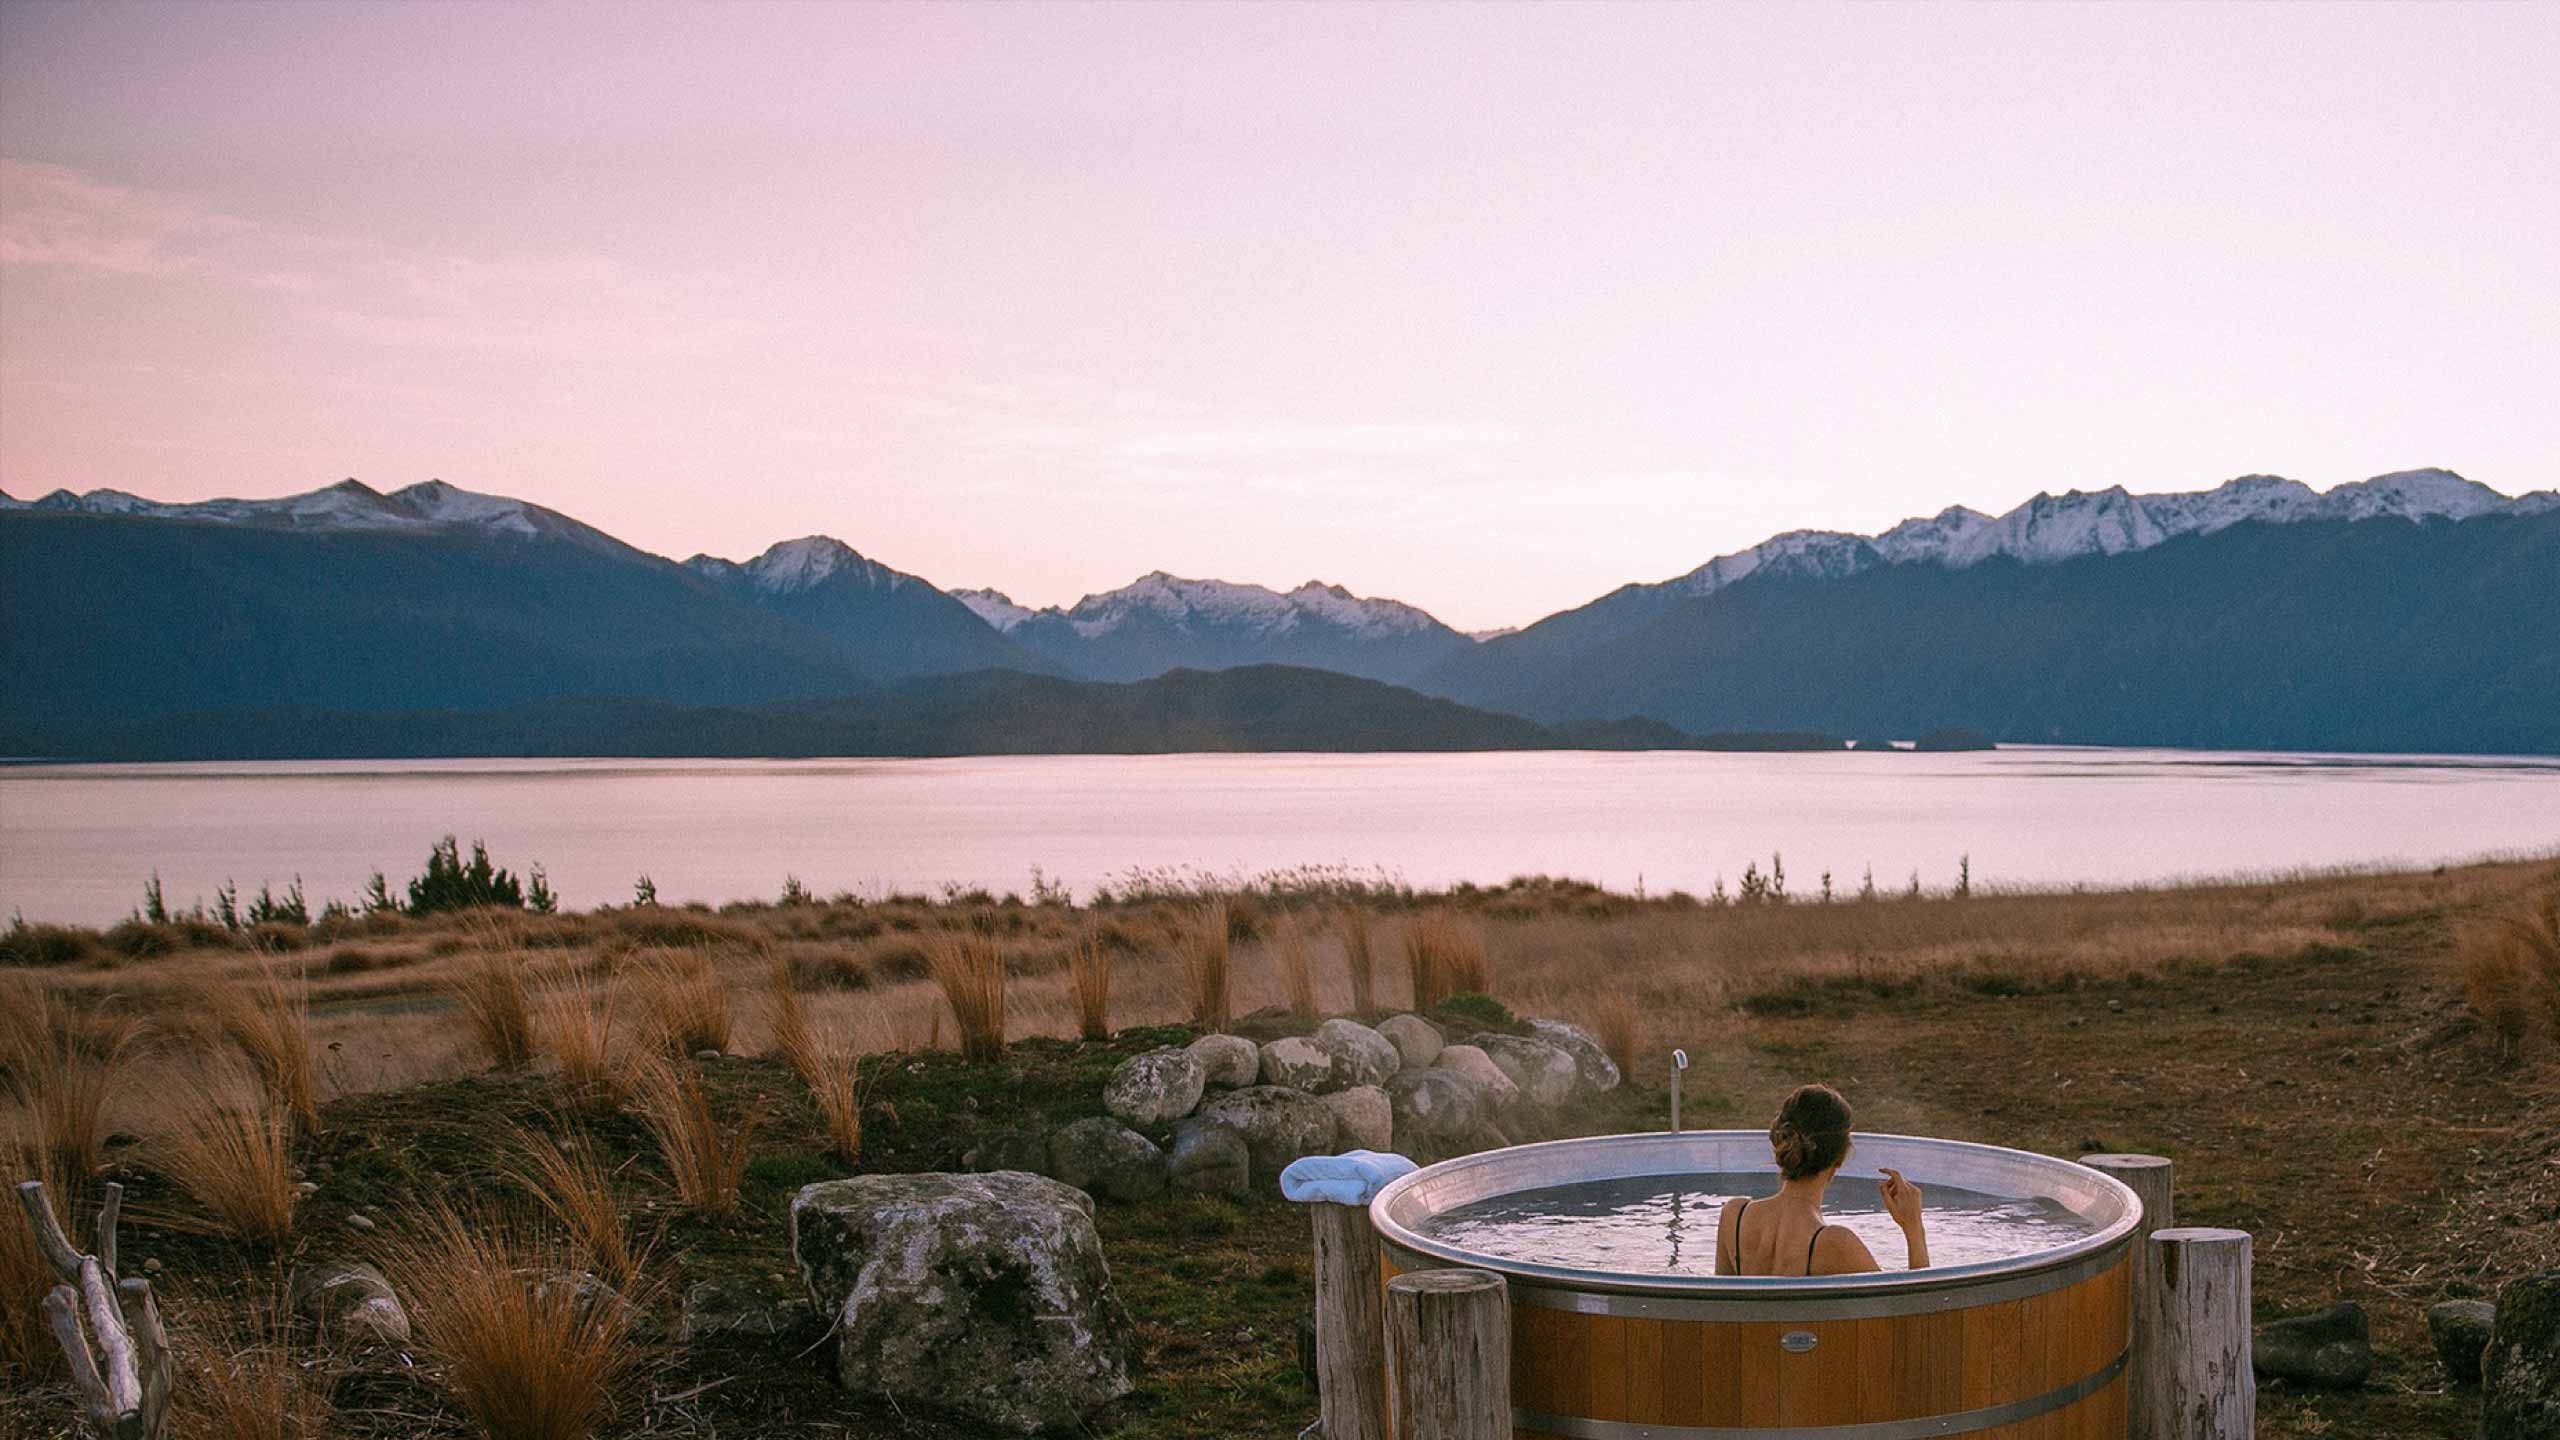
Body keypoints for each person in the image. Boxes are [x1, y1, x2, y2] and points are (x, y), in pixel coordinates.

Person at [1715, 1083, 1930, 1276]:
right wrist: (1914, 1229)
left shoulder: (1734, 1216)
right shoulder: (1835, 1244)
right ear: (1840, 1158)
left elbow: (1721, 1303)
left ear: (1780, 1142)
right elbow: (1912, 1306)